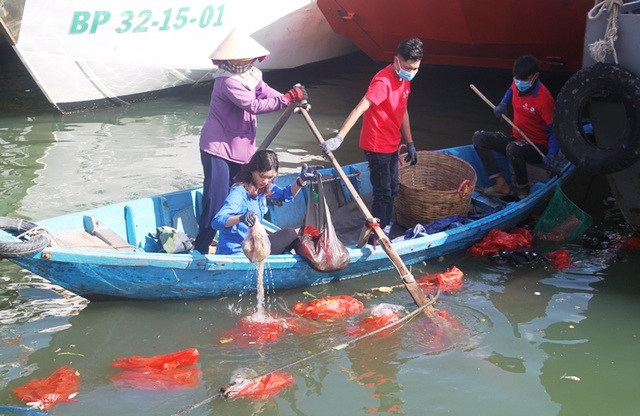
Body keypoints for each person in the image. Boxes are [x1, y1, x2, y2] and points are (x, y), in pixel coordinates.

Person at [194, 28, 308, 254]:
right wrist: (287, 99)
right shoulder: (227, 81)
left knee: (248, 191)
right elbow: (253, 105)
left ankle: (239, 239)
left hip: (241, 148)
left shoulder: (251, 75)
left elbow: (267, 94)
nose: (243, 61)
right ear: (230, 59)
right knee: (216, 201)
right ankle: (201, 247)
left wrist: (294, 100)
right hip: (218, 149)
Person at [320, 37, 423, 232]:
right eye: (408, 67)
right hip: (376, 144)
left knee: (393, 188)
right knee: (383, 192)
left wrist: (410, 143)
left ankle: (385, 224)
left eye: (415, 69)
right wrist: (339, 138)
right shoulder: (382, 82)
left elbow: (403, 110)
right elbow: (360, 109)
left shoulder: (404, 81)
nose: (411, 72)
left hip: (392, 141)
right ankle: (378, 232)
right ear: (396, 61)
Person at [472, 54, 558, 200]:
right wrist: (503, 104)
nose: (518, 83)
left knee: (513, 148)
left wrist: (552, 153)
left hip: (537, 146)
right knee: (479, 138)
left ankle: (523, 190)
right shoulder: (517, 83)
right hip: (517, 138)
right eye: (516, 79)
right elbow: (510, 91)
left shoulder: (544, 99)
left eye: (522, 80)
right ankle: (500, 184)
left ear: (535, 76)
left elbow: (553, 130)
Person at [212, 150, 316, 255]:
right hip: (237, 252)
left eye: (270, 177)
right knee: (290, 235)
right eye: (262, 176)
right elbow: (217, 221)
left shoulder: (264, 188)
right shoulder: (239, 192)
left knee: (290, 235)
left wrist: (301, 181)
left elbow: (285, 195)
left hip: (256, 245)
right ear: (252, 171)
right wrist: (241, 218)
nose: (265, 181)